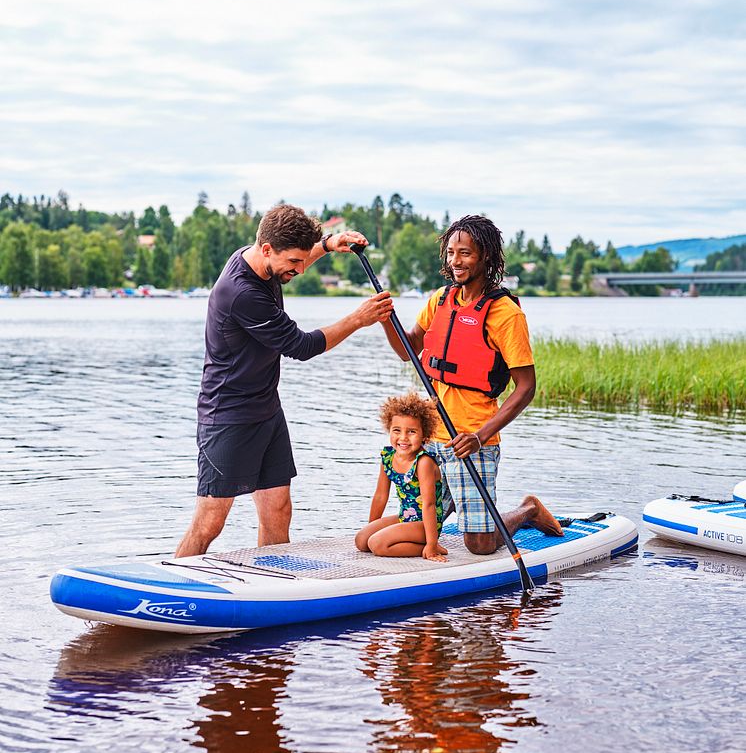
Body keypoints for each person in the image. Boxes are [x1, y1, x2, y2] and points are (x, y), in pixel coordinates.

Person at [175, 204, 393, 558]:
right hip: (227, 416)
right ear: (266, 250)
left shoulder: (261, 258)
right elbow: (302, 346)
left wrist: (329, 242)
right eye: (294, 262)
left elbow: (294, 255)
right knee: (210, 522)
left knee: (278, 509)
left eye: (303, 260)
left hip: (266, 411)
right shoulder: (242, 293)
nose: (300, 269)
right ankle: (171, 590)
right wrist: (359, 318)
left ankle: (273, 584)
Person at [380, 214, 564, 555]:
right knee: (423, 524)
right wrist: (385, 319)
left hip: (473, 439)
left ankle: (529, 510)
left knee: (480, 545)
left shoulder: (506, 314)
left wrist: (479, 437)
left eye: (464, 253)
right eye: (450, 253)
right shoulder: (440, 300)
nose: (455, 262)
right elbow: (408, 350)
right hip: (431, 439)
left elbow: (526, 388)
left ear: (486, 257)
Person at [355, 392, 447, 562]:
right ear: (388, 429)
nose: (403, 438)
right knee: (362, 541)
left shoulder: (423, 462)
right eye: (397, 430)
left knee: (378, 545)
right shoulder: (388, 457)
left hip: (426, 524)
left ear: (424, 435)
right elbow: (380, 496)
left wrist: (432, 543)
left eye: (411, 432)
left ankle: (428, 546)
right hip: (405, 517)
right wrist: (372, 528)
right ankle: (422, 543)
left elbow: (429, 504)